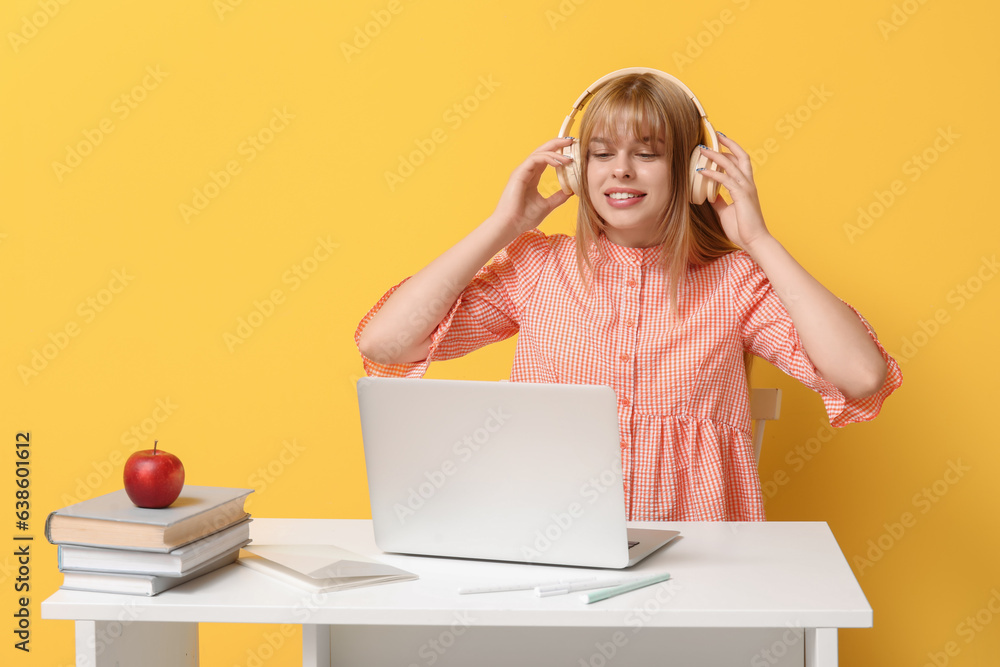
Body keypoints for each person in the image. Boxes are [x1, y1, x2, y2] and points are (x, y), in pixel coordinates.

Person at [355, 70, 902, 521]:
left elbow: (860, 375)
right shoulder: (537, 269)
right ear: (575, 169)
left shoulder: (735, 283)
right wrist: (503, 226)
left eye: (647, 153)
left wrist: (759, 240)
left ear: (692, 173)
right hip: (551, 552)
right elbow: (386, 343)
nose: (620, 169)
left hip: (701, 565)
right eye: (599, 153)